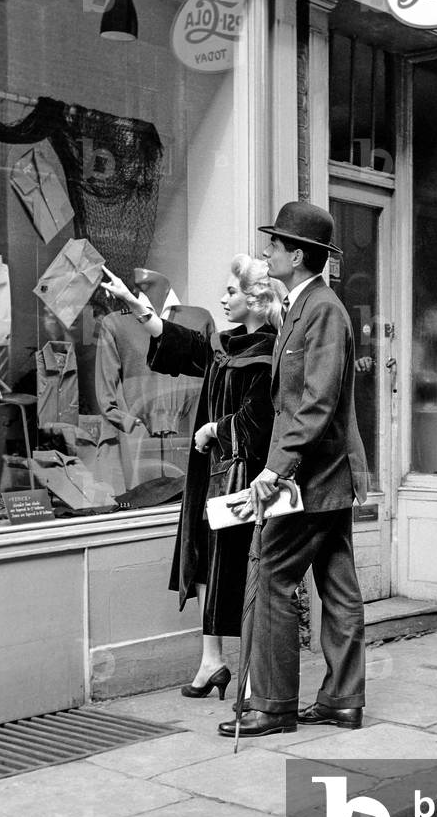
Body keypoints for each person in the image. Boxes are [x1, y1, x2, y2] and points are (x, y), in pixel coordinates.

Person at [217, 201, 369, 739]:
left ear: (298, 256)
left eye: (276, 245)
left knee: (274, 575)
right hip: (322, 475)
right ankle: (341, 700)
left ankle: (275, 704)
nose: (268, 251)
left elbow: (316, 400)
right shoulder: (304, 306)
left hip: (311, 476)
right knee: (338, 584)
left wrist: (276, 468)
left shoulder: (322, 309)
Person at [101, 257, 285, 699]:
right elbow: (182, 344)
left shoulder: (270, 354)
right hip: (212, 472)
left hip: (246, 477)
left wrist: (211, 430)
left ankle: (250, 678)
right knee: (203, 560)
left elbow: (258, 422)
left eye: (232, 293)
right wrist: (136, 307)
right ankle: (211, 661)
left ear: (257, 301)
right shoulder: (226, 344)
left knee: (241, 568)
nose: (222, 299)